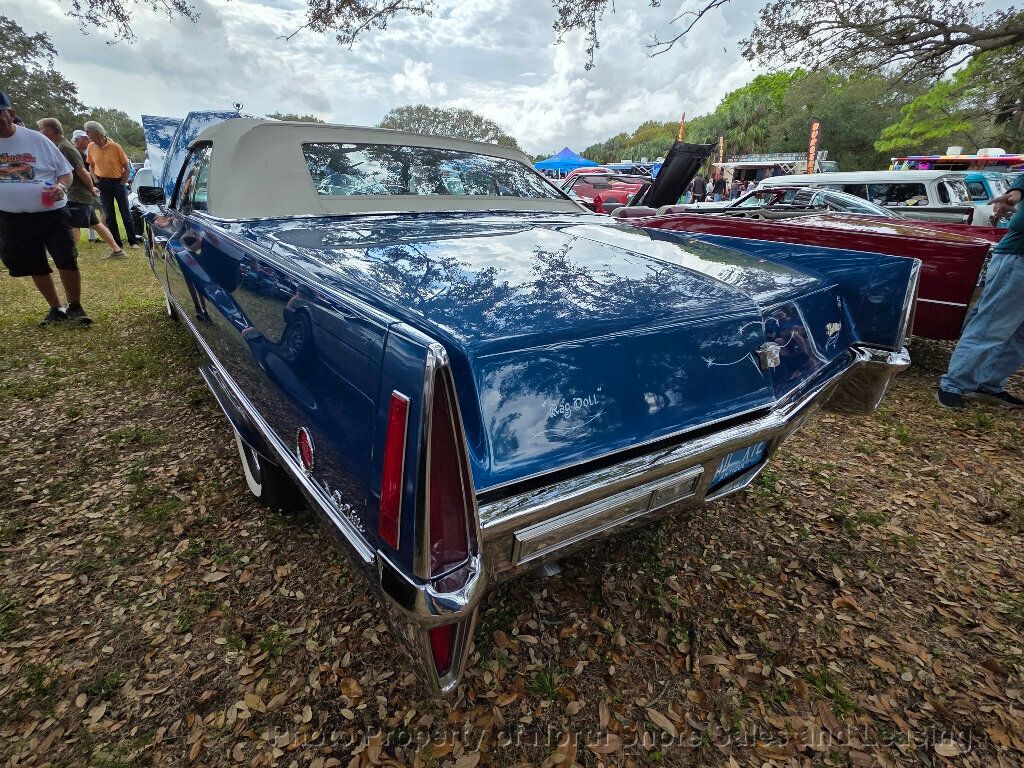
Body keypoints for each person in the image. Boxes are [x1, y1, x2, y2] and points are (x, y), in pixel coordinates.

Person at [0, 92, 92, 325]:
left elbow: (66, 173)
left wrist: (61, 186)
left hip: (51, 214)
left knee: (66, 259)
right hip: (13, 218)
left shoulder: (37, 139)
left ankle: (75, 306)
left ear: (10, 113)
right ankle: (55, 308)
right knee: (34, 263)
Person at [936, 175, 1024, 408]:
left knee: (1019, 333)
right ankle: (954, 383)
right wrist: (1015, 193)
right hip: (1018, 257)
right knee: (992, 324)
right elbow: (1019, 187)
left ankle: (989, 384)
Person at [37, 118, 125, 259]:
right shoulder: (61, 146)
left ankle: (69, 255)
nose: (40, 132)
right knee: (95, 223)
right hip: (77, 192)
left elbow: (81, 171)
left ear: (49, 130)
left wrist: (91, 189)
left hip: (76, 193)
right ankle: (117, 251)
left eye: (42, 129)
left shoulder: (64, 147)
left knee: (71, 223)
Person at [84, 120, 139, 249]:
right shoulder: (91, 147)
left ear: (97, 132)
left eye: (88, 131)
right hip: (102, 183)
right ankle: (117, 244)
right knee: (109, 214)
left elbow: (126, 166)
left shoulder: (115, 147)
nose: (86, 134)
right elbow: (91, 166)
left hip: (118, 182)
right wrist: (96, 181)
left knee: (125, 212)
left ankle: (133, 242)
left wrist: (123, 182)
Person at [72, 129, 98, 242]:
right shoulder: (74, 153)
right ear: (77, 140)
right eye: (85, 138)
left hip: (88, 188)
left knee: (92, 217)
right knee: (75, 221)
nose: (87, 140)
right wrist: (92, 184)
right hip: (81, 190)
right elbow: (81, 172)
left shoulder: (84, 152)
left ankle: (92, 237)